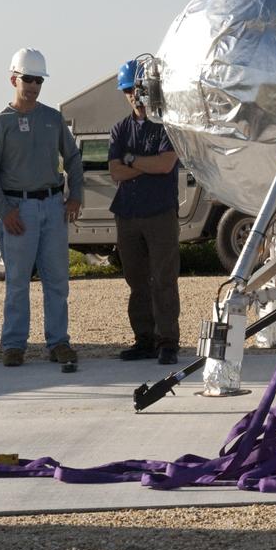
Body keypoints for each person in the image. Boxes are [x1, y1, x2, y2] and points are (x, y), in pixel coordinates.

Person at [0, 47, 83, 368]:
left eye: (39, 80)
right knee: (17, 283)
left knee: (57, 281)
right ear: (14, 79)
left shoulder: (52, 119)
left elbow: (74, 157)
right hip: (17, 212)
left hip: (53, 208)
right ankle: (14, 345)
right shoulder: (0, 124)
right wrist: (3, 210)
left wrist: (75, 195)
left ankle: (58, 343)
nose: (34, 86)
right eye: (28, 79)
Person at [107, 58, 182, 365]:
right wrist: (142, 164)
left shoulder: (166, 125)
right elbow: (115, 172)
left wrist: (131, 161)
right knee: (136, 280)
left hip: (160, 213)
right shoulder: (119, 129)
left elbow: (166, 164)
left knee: (164, 278)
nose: (132, 95)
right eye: (127, 90)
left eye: (136, 88)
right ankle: (144, 339)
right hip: (128, 213)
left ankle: (167, 341)